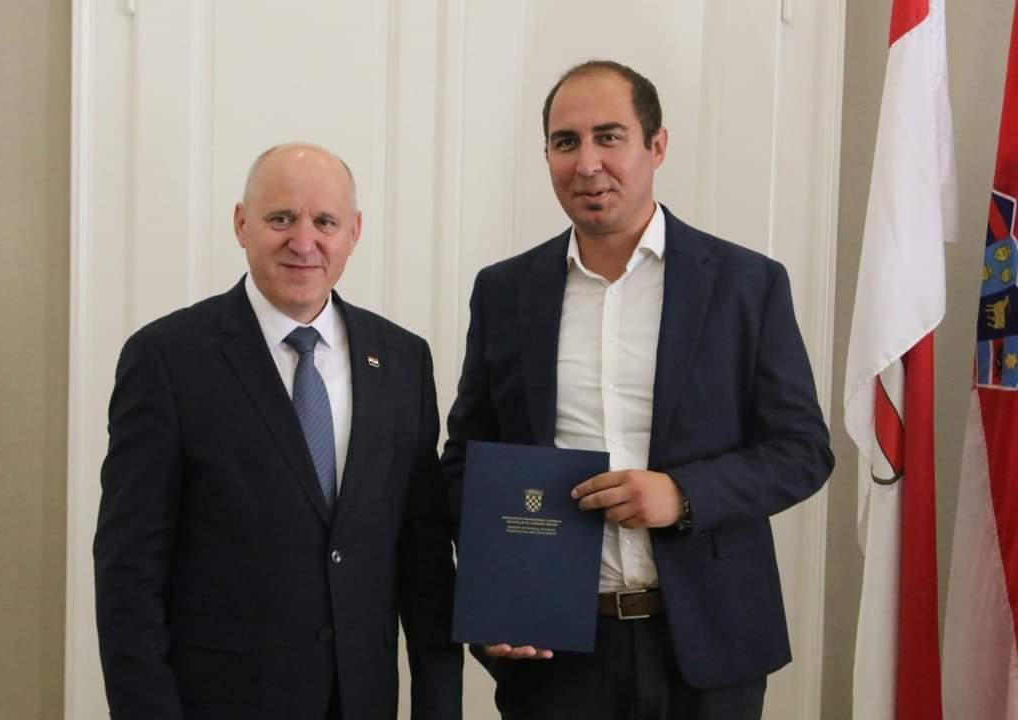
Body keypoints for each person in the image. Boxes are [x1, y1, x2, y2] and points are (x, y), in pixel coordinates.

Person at [442, 60, 834, 719]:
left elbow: (802, 450)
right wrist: (496, 592)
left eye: (609, 136)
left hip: (710, 649)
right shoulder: (505, 292)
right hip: (555, 653)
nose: (587, 163)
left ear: (657, 145)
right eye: (565, 142)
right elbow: (467, 463)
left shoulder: (746, 283)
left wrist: (682, 495)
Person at [94, 143, 462, 720]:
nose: (303, 241)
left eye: (325, 222)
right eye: (281, 218)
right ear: (242, 223)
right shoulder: (167, 359)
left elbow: (425, 562)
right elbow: (129, 573)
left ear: (354, 232)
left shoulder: (402, 360)